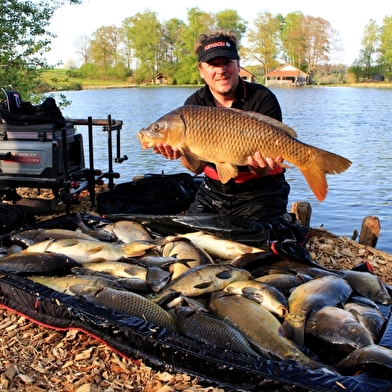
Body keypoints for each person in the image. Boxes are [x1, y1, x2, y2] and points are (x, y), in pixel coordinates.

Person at [154, 29, 309, 253]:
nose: (221, 71)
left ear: (238, 64)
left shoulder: (262, 98)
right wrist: (180, 154)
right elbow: (196, 168)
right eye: (212, 64)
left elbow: (264, 171)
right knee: (189, 243)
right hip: (214, 191)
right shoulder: (192, 105)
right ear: (201, 69)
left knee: (255, 246)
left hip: (262, 191)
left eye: (226, 62)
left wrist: (260, 167)